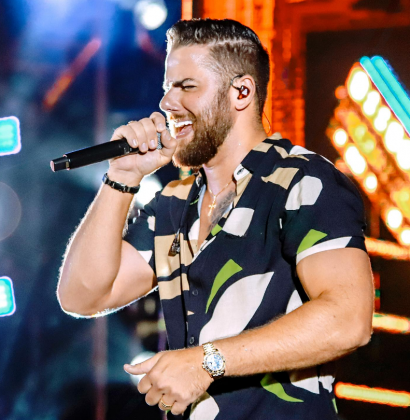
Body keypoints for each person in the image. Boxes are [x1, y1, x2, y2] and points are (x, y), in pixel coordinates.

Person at [57, 18, 374, 420]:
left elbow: (350, 319)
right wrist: (121, 178)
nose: (168, 103)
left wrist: (205, 361)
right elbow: (84, 295)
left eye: (187, 86)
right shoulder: (175, 202)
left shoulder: (301, 179)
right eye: (167, 88)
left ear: (241, 91)